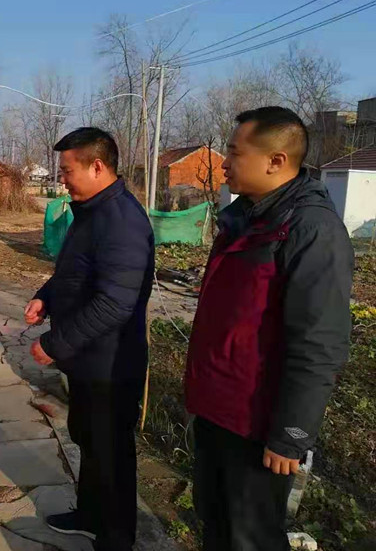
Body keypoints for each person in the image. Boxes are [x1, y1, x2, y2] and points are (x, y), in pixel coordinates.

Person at [185, 107, 353, 551]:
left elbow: (319, 343)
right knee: (215, 523)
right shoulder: (245, 219)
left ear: (276, 161)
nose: (224, 163)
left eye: (235, 153)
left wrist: (291, 434)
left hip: (258, 425)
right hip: (218, 410)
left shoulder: (311, 230)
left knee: (252, 538)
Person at [24, 128, 154, 551]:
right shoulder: (90, 212)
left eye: (67, 171)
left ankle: (115, 538)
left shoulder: (122, 221)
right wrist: (45, 297)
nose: (63, 180)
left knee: (111, 454)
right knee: (89, 441)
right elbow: (75, 272)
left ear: (97, 166)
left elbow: (114, 303)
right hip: (87, 360)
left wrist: (54, 344)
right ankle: (90, 515)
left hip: (110, 366)